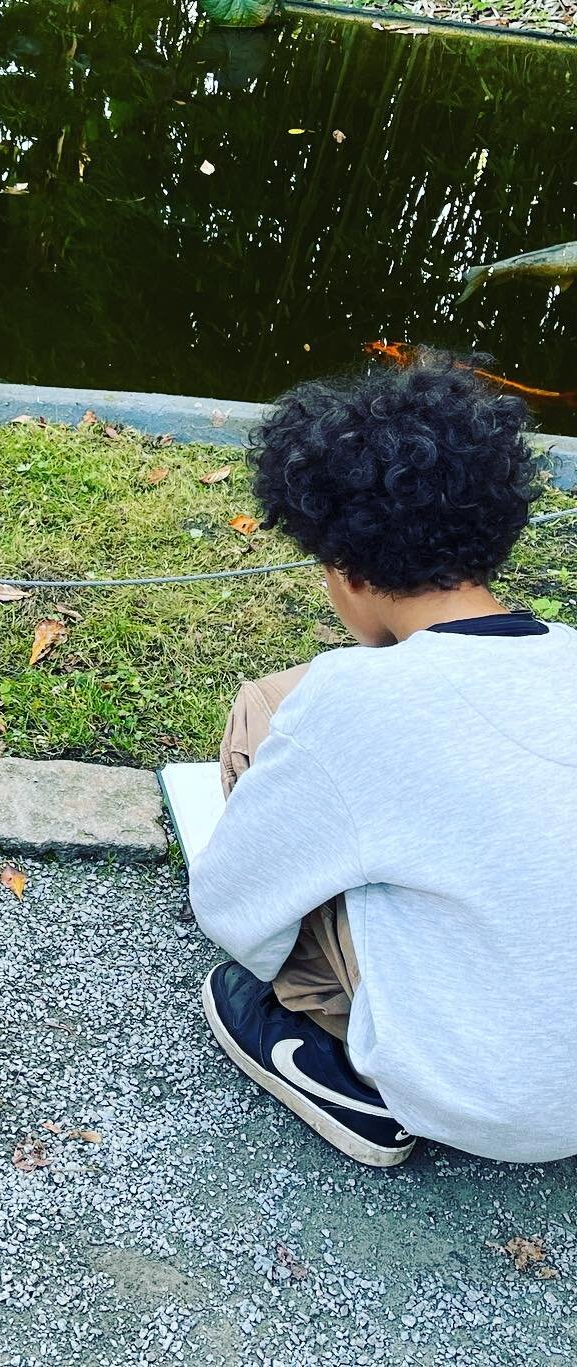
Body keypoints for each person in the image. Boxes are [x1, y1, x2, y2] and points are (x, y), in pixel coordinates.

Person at [191, 350, 577, 1169]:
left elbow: (232, 906)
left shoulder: (349, 697)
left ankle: (346, 1071)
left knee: (268, 715)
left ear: (345, 568)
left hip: (480, 1096)